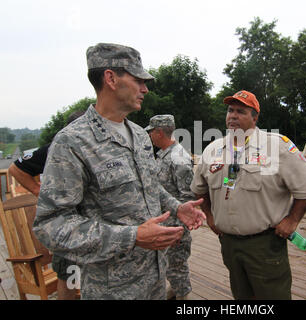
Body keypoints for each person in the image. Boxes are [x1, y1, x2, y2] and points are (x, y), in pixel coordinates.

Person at [32, 43, 205, 300]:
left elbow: (148, 185)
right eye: (138, 80)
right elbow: (50, 225)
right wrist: (132, 236)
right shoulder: (72, 142)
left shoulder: (139, 135)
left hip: (156, 278)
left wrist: (176, 207)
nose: (145, 88)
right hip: (113, 289)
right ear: (110, 78)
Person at [190, 90, 306, 300]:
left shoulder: (277, 146)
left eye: (241, 111)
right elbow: (200, 189)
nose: (233, 115)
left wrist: (292, 219)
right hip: (228, 244)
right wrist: (210, 215)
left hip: (265, 245)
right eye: (230, 110)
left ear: (255, 117)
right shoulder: (213, 149)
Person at [8, 111, 84, 300]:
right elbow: (15, 169)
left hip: (93, 223)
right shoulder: (54, 149)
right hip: (68, 227)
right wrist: (37, 191)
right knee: (69, 276)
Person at [146, 114, 195, 300]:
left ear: (159, 133)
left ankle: (183, 296)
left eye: (151, 131)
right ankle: (175, 291)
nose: (150, 135)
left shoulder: (178, 158)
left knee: (177, 267)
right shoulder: (165, 154)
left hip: (175, 225)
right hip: (166, 223)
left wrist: (178, 230)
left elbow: (187, 198)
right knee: (170, 265)